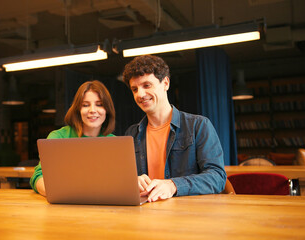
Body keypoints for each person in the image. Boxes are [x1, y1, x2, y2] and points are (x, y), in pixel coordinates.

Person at [123, 55, 226, 202]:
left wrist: (174, 185)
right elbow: (124, 180)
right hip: (145, 216)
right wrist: (133, 181)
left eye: (146, 85)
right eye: (134, 89)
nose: (140, 94)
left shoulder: (198, 125)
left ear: (165, 83)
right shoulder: (131, 134)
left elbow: (217, 177)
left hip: (188, 215)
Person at [30, 80, 116, 196]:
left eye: (99, 104)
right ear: (78, 110)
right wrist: (59, 194)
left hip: (103, 205)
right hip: (63, 205)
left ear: (107, 110)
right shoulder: (58, 138)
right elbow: (39, 176)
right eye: (85, 105)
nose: (92, 110)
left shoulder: (114, 142)